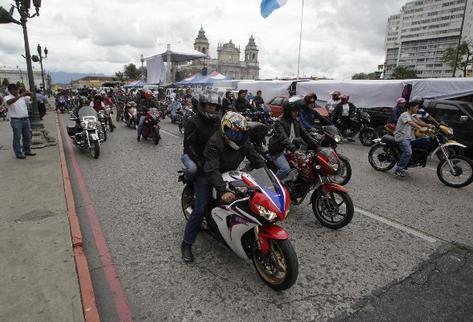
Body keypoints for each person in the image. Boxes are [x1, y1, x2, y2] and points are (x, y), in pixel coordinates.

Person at [181, 112, 265, 262]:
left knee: (248, 197)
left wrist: (269, 174)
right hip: (207, 174)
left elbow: (255, 158)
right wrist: (223, 190)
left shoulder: (244, 141)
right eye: (234, 133)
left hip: (230, 173)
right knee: (200, 209)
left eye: (241, 134)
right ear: (225, 129)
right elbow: (212, 169)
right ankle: (186, 244)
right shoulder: (215, 142)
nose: (237, 137)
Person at [268, 100, 316, 179]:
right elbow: (284, 138)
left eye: (297, 111)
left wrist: (315, 143)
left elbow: (304, 133)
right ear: (288, 111)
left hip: (291, 150)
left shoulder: (296, 121)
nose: (296, 113)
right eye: (294, 111)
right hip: (278, 151)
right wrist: (294, 150)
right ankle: (275, 185)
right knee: (285, 169)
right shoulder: (279, 122)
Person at [181, 93, 221, 181]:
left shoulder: (218, 121)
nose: (211, 107)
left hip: (211, 155)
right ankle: (189, 183)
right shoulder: (193, 121)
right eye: (209, 104)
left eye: (214, 105)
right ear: (203, 106)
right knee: (192, 169)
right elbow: (188, 144)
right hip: (192, 154)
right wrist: (198, 160)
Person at [394, 101, 429, 177]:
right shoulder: (405, 115)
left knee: (425, 140)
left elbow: (418, 122)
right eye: (416, 107)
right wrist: (420, 128)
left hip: (409, 138)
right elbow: (411, 123)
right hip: (402, 138)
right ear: (411, 107)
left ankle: (409, 162)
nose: (417, 109)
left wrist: (428, 125)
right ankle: (399, 169)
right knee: (408, 152)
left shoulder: (411, 116)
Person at [4, 84, 36, 159]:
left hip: (25, 119)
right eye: (14, 90)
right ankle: (18, 153)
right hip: (16, 120)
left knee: (27, 136)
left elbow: (31, 100)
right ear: (10, 91)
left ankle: (27, 150)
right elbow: (9, 102)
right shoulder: (7, 97)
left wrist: (31, 94)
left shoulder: (22, 97)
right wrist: (21, 95)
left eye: (17, 89)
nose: (16, 91)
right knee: (17, 137)